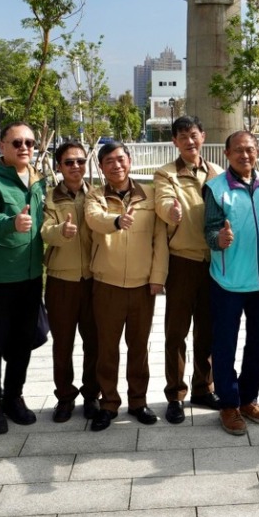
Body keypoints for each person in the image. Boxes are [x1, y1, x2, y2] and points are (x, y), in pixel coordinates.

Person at [85, 141, 169, 431]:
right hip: (106, 284)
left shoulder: (150, 195)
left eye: (121, 159)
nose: (116, 165)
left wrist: (158, 277)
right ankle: (108, 403)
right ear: (101, 167)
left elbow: (160, 240)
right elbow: (95, 221)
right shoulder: (94, 197)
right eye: (109, 161)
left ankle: (138, 401)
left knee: (139, 348)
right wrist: (117, 220)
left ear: (130, 161)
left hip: (142, 286)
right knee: (107, 348)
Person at [0, 122, 45, 434]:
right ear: (2, 146)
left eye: (29, 142)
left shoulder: (38, 180)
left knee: (22, 342)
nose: (24, 147)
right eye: (17, 142)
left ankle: (14, 396)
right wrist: (11, 222)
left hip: (30, 274)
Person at [203, 131, 259, 435]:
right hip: (227, 282)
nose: (244, 155)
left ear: (257, 152)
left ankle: (248, 399)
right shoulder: (216, 188)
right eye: (238, 150)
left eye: (249, 150)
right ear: (227, 153)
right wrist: (218, 240)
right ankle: (228, 404)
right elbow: (208, 231)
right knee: (225, 346)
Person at [153, 116, 220, 424]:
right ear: (175, 143)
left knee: (208, 330)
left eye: (194, 135)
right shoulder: (166, 174)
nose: (189, 141)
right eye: (183, 137)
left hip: (214, 262)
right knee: (176, 332)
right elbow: (163, 204)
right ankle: (175, 394)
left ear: (202, 136)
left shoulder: (217, 173)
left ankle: (204, 388)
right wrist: (172, 211)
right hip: (182, 262)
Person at [41, 140, 99, 422]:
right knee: (62, 343)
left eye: (80, 161)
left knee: (94, 342)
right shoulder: (51, 197)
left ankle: (92, 396)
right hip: (61, 280)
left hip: (93, 280)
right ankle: (64, 396)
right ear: (59, 166)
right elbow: (45, 231)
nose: (75, 166)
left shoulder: (97, 196)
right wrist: (60, 232)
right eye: (68, 162)